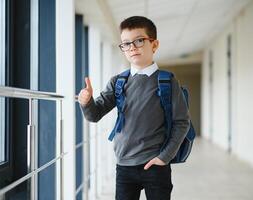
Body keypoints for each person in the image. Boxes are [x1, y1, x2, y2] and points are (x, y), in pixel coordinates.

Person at [78, 16, 190, 200]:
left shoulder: (167, 81)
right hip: (124, 167)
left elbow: (182, 122)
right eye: (126, 43)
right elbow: (94, 114)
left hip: (156, 165)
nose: (132, 48)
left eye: (139, 41)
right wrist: (86, 102)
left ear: (154, 45)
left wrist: (164, 158)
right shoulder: (118, 82)